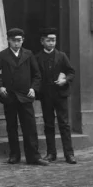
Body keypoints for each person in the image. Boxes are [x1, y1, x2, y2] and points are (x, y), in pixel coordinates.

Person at [0, 28, 48, 166]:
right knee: (11, 126)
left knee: (30, 127)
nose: (16, 43)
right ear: (8, 40)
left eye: (19, 40)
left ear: (23, 41)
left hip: (26, 96)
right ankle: (14, 155)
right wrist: (0, 87)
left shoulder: (28, 54)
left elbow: (37, 75)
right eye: (13, 40)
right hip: (9, 96)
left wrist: (33, 88)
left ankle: (33, 156)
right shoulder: (2, 55)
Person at [33, 29, 76, 164]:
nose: (51, 43)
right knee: (49, 124)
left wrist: (65, 79)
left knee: (64, 124)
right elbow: (36, 76)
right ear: (42, 41)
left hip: (60, 94)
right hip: (46, 95)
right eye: (48, 40)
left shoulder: (62, 56)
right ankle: (51, 153)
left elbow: (71, 72)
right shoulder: (37, 58)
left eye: (54, 40)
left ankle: (69, 154)